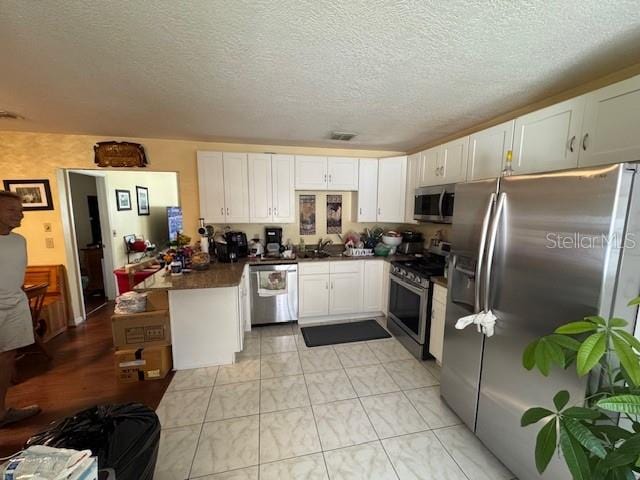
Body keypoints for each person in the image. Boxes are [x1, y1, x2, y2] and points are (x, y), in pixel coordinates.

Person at [0, 191, 40, 428]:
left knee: (6, 358)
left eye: (21, 209)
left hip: (15, 304)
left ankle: (2, 412)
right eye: (12, 210)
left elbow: (16, 274)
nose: (21, 215)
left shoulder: (19, 240)